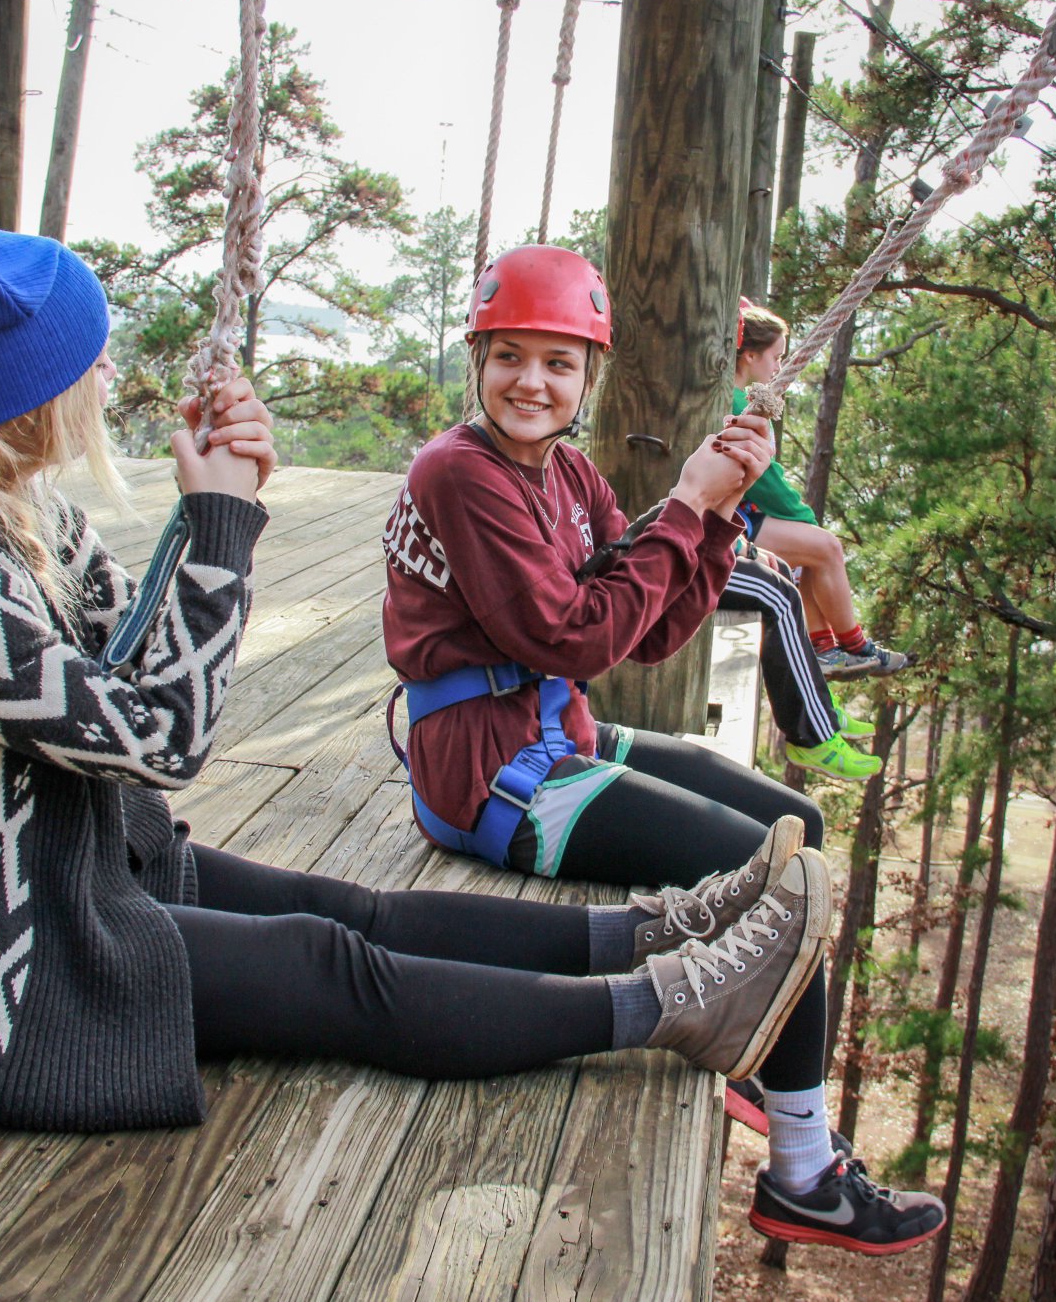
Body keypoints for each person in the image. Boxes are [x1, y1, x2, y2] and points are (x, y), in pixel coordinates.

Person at [0, 206, 837, 1144]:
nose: (107, 375)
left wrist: (210, 512)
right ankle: (672, 1005)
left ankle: (650, 934)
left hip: (44, 863)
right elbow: (157, 735)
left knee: (343, 908)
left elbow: (125, 657)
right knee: (324, 967)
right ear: (26, 393)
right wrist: (218, 523)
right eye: (87, 361)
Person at [382, 244, 946, 1254]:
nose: (530, 382)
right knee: (774, 872)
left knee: (795, 824)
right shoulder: (459, 473)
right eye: (509, 357)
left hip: (554, 731)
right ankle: (803, 1170)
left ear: (588, 378)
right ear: (478, 362)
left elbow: (645, 633)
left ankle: (771, 1064)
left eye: (557, 363)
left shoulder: (567, 476)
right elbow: (571, 637)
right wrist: (685, 501)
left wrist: (717, 519)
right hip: (491, 773)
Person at [731, 300, 913, 680]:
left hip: (740, 515)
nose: (779, 367)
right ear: (750, 355)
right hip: (735, 521)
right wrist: (801, 516)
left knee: (816, 550)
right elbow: (764, 479)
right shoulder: (737, 402)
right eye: (776, 357)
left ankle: (826, 648)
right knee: (827, 547)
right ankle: (856, 647)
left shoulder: (741, 399)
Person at [720, 538, 883, 779]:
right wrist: (742, 548)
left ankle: (819, 708)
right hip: (679, 559)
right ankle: (814, 739)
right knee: (779, 596)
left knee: (780, 569)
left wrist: (741, 544)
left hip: (696, 544)